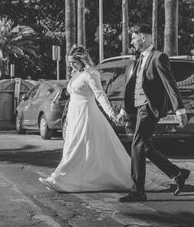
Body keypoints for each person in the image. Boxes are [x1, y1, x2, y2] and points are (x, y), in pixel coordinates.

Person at [38, 45, 134, 192]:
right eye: (69, 63)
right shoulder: (77, 74)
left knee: (75, 147)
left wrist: (111, 113)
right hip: (74, 116)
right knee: (73, 147)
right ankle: (70, 179)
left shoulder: (91, 74)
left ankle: (58, 179)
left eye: (73, 62)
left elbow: (100, 95)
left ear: (82, 59)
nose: (71, 66)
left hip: (86, 115)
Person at [117, 25, 190, 202]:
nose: (132, 42)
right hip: (138, 108)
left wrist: (180, 110)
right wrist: (124, 109)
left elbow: (170, 84)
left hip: (149, 108)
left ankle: (138, 191)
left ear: (143, 38)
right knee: (145, 146)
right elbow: (132, 85)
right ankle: (177, 173)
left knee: (136, 145)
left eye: (134, 38)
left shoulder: (159, 57)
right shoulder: (139, 58)